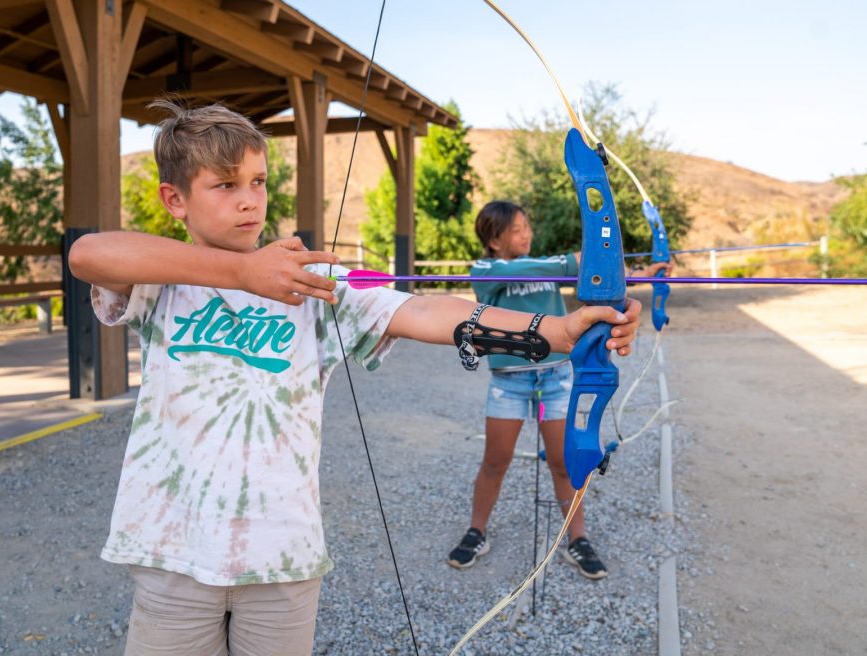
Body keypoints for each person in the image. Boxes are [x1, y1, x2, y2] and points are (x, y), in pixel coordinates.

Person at [68, 102, 643, 656]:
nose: (250, 201)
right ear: (175, 199)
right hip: (173, 553)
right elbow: (90, 254)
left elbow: (422, 313)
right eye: (225, 185)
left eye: (259, 182)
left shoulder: (311, 281)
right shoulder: (161, 281)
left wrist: (559, 331)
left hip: (281, 556)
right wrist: (242, 271)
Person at [447, 200, 669, 580]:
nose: (526, 234)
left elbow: (599, 277)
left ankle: (577, 539)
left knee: (564, 462)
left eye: (526, 226)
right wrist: (573, 260)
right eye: (516, 230)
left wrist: (644, 272)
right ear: (494, 239)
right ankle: (476, 530)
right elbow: (551, 266)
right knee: (495, 460)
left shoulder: (547, 266)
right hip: (509, 383)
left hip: (555, 380)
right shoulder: (485, 270)